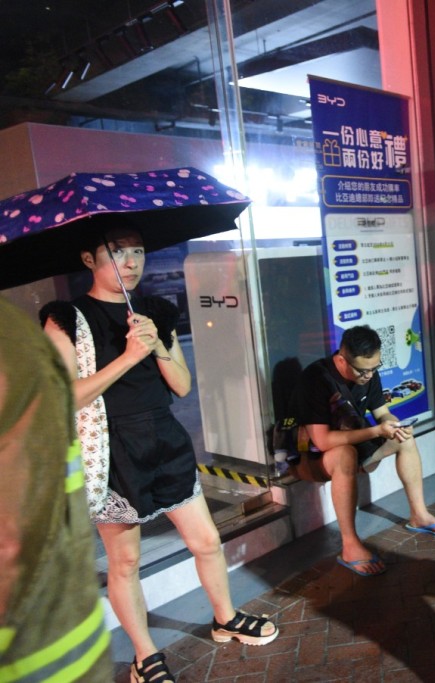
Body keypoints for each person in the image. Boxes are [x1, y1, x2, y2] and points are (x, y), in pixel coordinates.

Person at [41, 228, 278, 683]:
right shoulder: (65, 319)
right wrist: (130, 356)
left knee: (206, 541)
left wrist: (161, 345)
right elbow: (66, 397)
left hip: (165, 440)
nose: (130, 262)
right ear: (89, 259)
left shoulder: (155, 311)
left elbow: (183, 386)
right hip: (112, 451)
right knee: (125, 561)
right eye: (117, 253)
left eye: (138, 252)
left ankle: (225, 618)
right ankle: (144, 654)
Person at [1, 298, 113, 682]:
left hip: (36, 649)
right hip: (61, 638)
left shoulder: (10, 341)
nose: (131, 261)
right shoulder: (27, 331)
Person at [290, 325, 435, 577]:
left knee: (405, 439)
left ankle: (419, 515)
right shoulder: (316, 378)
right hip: (308, 457)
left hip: (356, 444)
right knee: (345, 454)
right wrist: (377, 432)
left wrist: (393, 425)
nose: (369, 375)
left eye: (374, 368)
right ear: (342, 359)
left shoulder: (369, 373)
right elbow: (322, 441)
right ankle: (350, 545)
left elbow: (381, 413)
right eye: (362, 370)